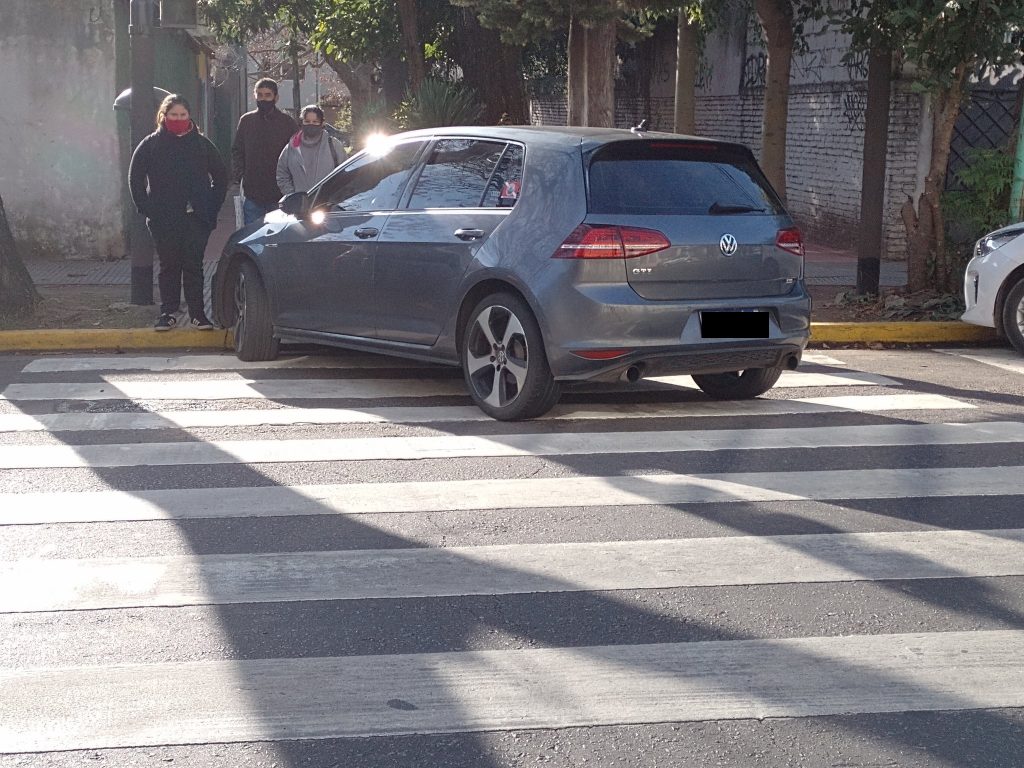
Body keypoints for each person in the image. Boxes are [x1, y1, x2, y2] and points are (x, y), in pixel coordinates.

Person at [129, 94, 227, 332]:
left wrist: (210, 208)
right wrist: (148, 209)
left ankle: (198, 314)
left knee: (193, 265)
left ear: (190, 116)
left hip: (196, 218)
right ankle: (168, 312)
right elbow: (135, 179)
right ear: (164, 116)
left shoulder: (202, 145)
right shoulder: (151, 144)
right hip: (164, 220)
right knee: (169, 265)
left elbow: (221, 177)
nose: (179, 119)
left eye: (183, 115)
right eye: (174, 115)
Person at [231, 78, 297, 224]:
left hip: (279, 193)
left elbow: (295, 154)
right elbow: (237, 150)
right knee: (253, 238)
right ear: (255, 96)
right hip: (253, 193)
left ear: (276, 97)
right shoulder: (246, 121)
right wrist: (241, 175)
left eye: (268, 95)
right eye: (259, 95)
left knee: (278, 238)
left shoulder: (287, 123)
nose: (263, 99)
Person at [276, 105, 346, 196]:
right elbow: (282, 175)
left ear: (322, 123)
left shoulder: (334, 145)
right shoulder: (292, 147)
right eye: (307, 121)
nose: (311, 124)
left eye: (315, 122)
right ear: (302, 122)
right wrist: (292, 196)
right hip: (300, 206)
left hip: (328, 204)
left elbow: (345, 174)